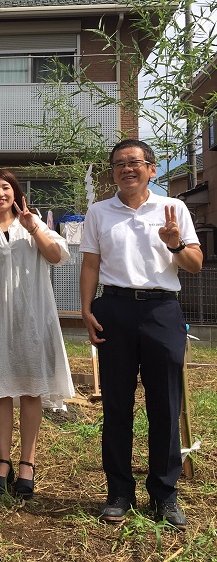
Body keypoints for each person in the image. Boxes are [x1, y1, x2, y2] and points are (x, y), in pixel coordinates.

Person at [80, 139, 203, 529]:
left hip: (161, 310)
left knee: (165, 405)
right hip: (114, 308)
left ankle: (164, 495)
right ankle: (118, 492)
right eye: (119, 164)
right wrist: (86, 309)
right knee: (116, 404)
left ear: (151, 168)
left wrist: (175, 244)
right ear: (112, 172)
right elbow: (90, 265)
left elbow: (196, 264)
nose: (127, 169)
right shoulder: (99, 212)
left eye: (135, 162)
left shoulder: (174, 208)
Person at [0, 169, 74, 498]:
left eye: (5, 187)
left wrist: (34, 228)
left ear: (15, 192)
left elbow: (56, 256)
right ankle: (3, 461)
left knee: (31, 389)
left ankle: (28, 464)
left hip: (32, 316)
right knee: (0, 388)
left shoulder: (32, 221)